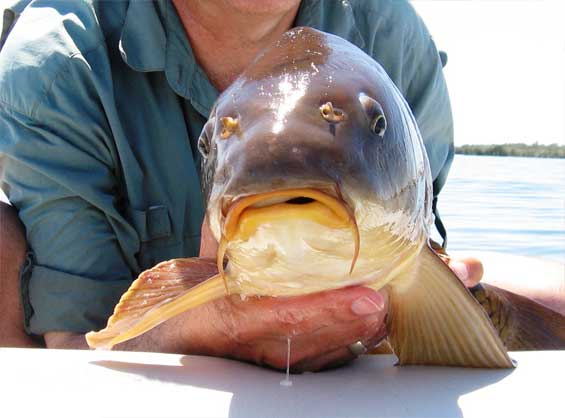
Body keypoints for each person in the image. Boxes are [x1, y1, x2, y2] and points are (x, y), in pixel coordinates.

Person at [0, 0, 561, 371]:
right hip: (165, 330)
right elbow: (75, 345)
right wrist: (214, 327)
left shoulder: (392, 34)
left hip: (370, 285)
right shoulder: (52, 62)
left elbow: (422, 227)